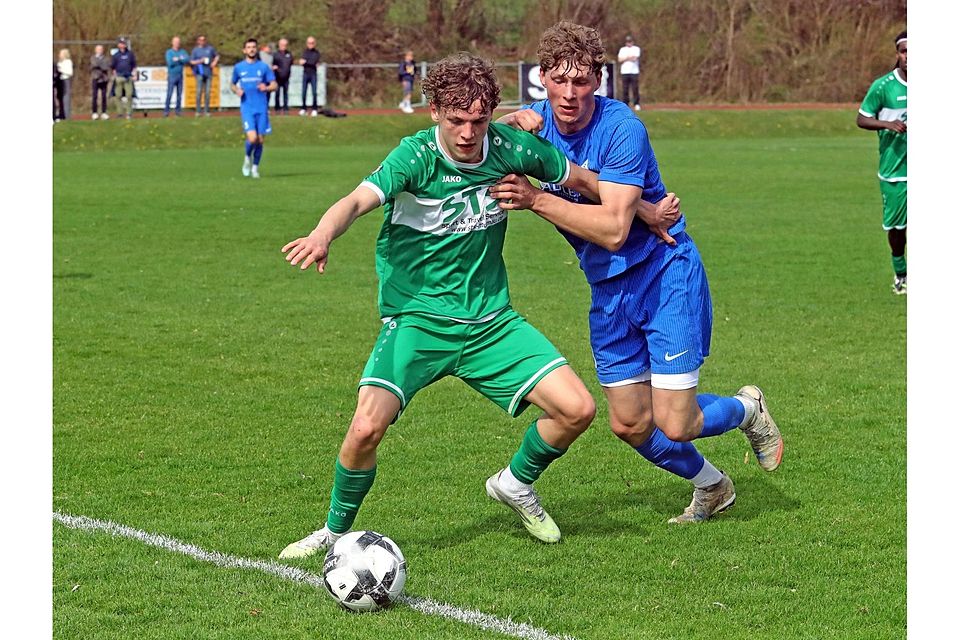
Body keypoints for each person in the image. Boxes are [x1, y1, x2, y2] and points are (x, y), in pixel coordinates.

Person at [274, 52, 666, 558]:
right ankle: (332, 531)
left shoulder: (509, 147)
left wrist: (648, 208)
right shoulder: (413, 158)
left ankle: (515, 482)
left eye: (479, 120)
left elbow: (583, 182)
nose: (467, 132)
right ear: (434, 110)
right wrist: (323, 233)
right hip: (419, 320)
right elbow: (356, 200)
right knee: (366, 426)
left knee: (578, 409)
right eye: (456, 120)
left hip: (490, 322)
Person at [492, 22, 783, 524]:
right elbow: (473, 135)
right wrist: (506, 118)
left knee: (676, 422)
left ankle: (746, 409)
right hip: (607, 290)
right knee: (629, 423)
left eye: (581, 81)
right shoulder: (533, 123)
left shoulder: (622, 127)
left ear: (598, 82)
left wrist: (536, 199)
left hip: (662, 274)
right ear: (541, 78)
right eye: (559, 80)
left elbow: (611, 230)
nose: (569, 93)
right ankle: (712, 486)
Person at [857, 31, 907, 295]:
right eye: (904, 51)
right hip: (894, 171)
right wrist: (888, 124)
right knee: (898, 229)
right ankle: (901, 274)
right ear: (897, 54)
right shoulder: (883, 86)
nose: (909, 57)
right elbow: (861, 118)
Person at [231, 38, 278, 179]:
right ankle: (247, 158)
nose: (251, 49)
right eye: (248, 47)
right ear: (244, 50)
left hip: (262, 108)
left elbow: (274, 85)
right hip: (247, 108)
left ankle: (255, 167)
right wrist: (237, 90)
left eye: (253, 47)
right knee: (252, 138)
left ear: (256, 49)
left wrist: (267, 87)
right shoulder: (239, 67)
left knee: (260, 140)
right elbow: (232, 84)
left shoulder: (263, 67)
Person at [190, 35, 219, 117]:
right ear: (198, 41)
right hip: (199, 73)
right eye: (200, 40)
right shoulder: (195, 50)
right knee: (199, 92)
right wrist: (200, 61)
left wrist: (214, 62)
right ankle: (198, 111)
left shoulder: (210, 49)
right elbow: (191, 62)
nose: (202, 41)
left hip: (208, 73)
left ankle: (207, 111)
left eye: (204, 40)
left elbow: (217, 56)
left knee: (207, 92)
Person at [111, 38, 137, 120]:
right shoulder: (116, 55)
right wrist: (115, 76)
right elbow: (113, 67)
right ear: (118, 45)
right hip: (119, 77)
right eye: (120, 43)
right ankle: (119, 113)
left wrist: (134, 75)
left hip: (128, 77)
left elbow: (134, 65)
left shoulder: (130, 54)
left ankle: (129, 112)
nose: (122, 45)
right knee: (118, 96)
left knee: (129, 95)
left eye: (123, 43)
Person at [164, 36, 190, 117]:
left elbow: (187, 59)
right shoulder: (169, 52)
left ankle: (178, 111)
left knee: (179, 95)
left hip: (180, 75)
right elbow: (170, 63)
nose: (177, 44)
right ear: (172, 43)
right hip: (172, 75)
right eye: (175, 42)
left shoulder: (182, 51)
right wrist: (180, 60)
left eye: (178, 42)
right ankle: (166, 111)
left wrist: (177, 59)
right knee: (169, 94)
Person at [617, 35, 641, 111]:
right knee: (625, 89)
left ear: (632, 41)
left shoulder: (636, 49)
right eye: (627, 41)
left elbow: (635, 58)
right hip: (625, 71)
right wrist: (629, 57)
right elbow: (619, 59)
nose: (629, 43)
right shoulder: (622, 49)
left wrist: (625, 58)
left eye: (630, 41)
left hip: (634, 71)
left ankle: (636, 104)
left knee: (635, 88)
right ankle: (626, 104)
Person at [298, 36, 320, 116]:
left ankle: (314, 109)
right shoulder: (304, 52)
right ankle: (303, 108)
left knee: (314, 92)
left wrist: (306, 62)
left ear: (314, 43)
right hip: (305, 74)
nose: (310, 44)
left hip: (313, 74)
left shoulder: (316, 53)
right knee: (304, 92)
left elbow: (314, 61)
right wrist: (308, 62)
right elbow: (301, 62)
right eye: (309, 43)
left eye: (312, 43)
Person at [272, 38, 293, 114]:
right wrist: (274, 68)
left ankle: (285, 108)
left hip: (286, 77)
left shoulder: (289, 54)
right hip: (277, 77)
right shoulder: (276, 54)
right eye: (282, 45)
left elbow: (291, 63)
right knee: (277, 93)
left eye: (285, 45)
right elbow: (273, 64)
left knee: (285, 93)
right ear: (279, 45)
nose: (283, 46)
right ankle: (277, 108)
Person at [90, 45, 111, 120]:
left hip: (104, 79)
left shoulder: (106, 58)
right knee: (94, 96)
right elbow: (94, 65)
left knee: (104, 96)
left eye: (101, 49)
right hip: (95, 78)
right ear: (95, 50)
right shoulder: (93, 58)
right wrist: (101, 66)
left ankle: (104, 112)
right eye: (98, 49)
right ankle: (94, 112)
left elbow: (107, 67)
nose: (100, 51)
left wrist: (100, 66)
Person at [55, 49, 73, 121]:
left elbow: (70, 72)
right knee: (60, 98)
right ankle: (61, 114)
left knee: (66, 98)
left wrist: (60, 69)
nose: (59, 55)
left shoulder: (68, 62)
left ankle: (67, 115)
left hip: (65, 80)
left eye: (61, 54)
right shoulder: (60, 62)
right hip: (59, 81)